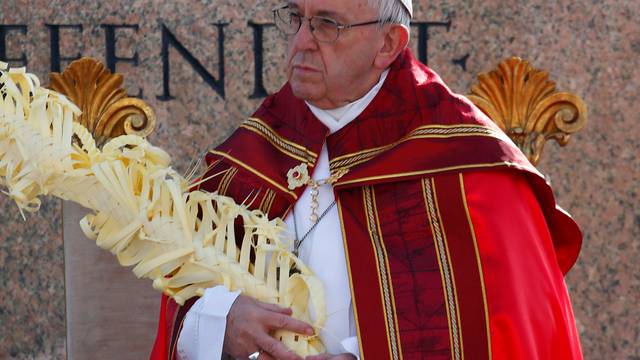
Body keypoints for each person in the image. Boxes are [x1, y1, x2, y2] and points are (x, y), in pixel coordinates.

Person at [150, 0, 583, 359]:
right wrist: (220, 324)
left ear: (388, 44)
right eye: (296, 18)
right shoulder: (251, 154)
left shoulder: (467, 165)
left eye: (327, 25)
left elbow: (506, 330)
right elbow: (181, 301)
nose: (301, 43)